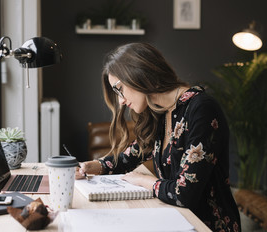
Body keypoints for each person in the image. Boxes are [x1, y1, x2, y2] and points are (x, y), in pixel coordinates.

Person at [76, 42, 241, 232]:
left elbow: (184, 193)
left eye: (119, 89)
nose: (120, 101)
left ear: (139, 73)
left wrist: (143, 180)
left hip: (207, 226)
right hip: (175, 220)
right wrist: (89, 167)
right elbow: (126, 160)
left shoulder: (202, 109)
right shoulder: (159, 114)